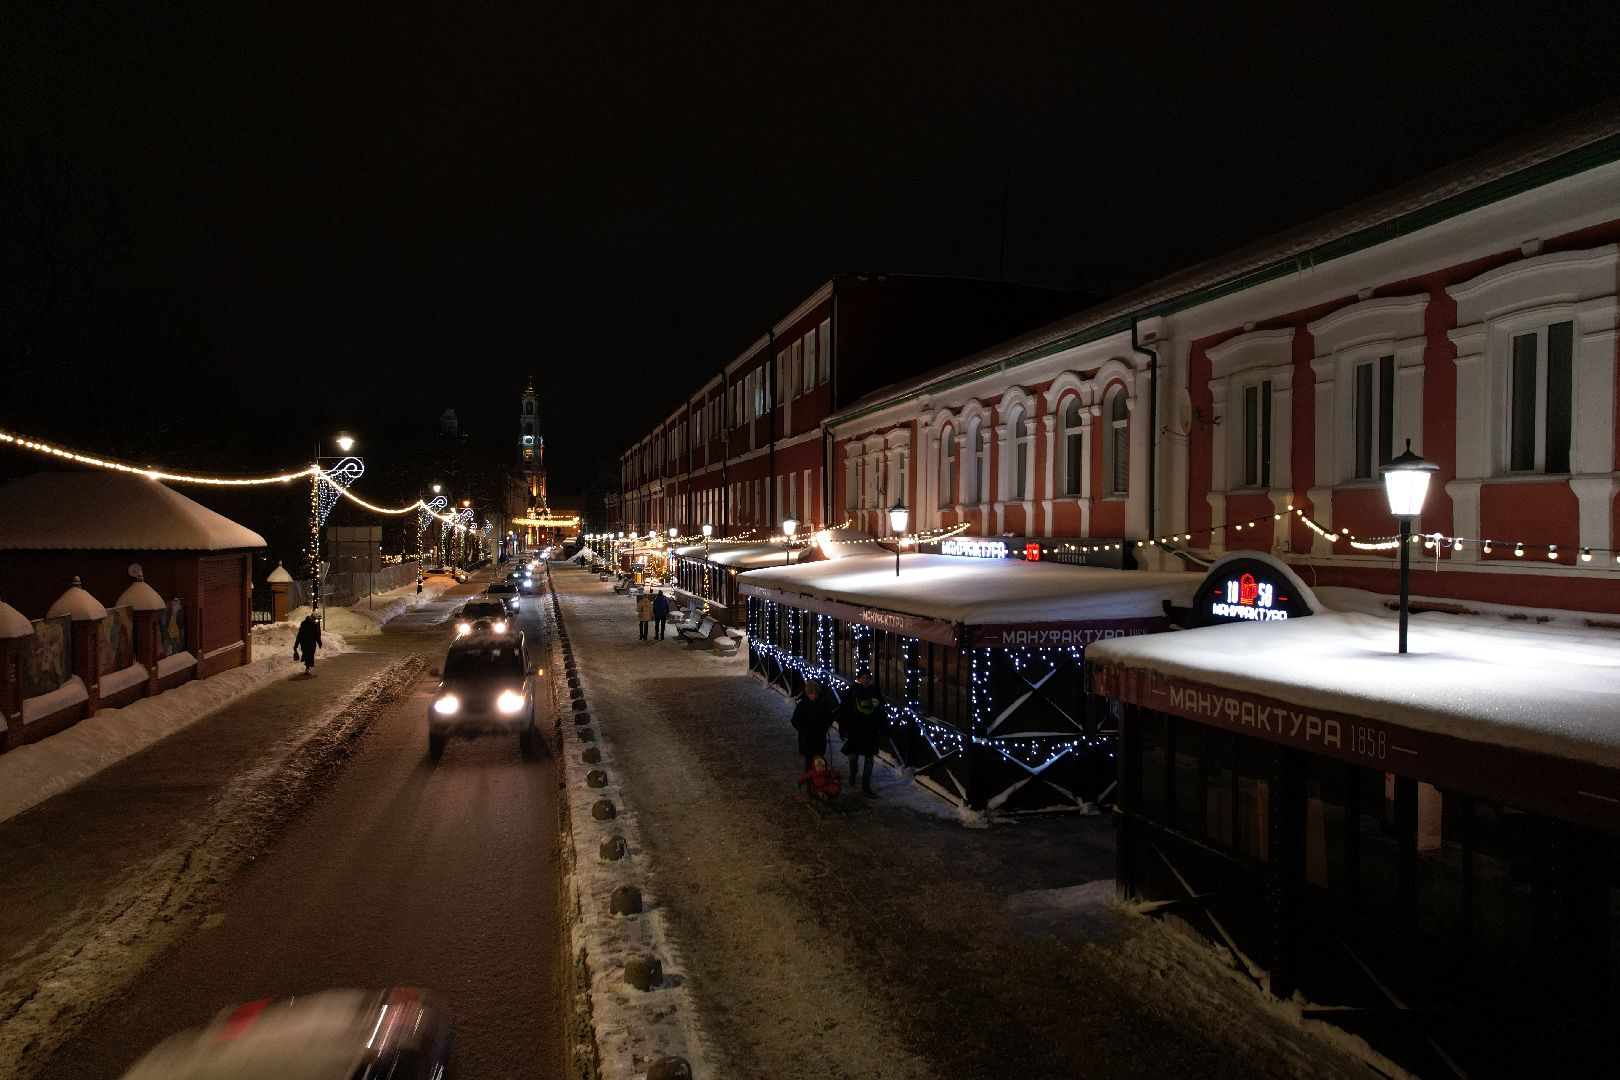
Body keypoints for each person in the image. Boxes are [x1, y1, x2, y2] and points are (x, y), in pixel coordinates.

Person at [838, 668, 885, 796]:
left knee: (869, 759)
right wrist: (843, 727)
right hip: (855, 729)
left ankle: (866, 785)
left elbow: (881, 709)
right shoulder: (852, 691)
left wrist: (882, 726)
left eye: (868, 677)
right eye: (863, 677)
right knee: (853, 757)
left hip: (870, 731)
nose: (865, 680)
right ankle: (853, 775)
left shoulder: (875, 692)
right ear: (859, 678)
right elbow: (844, 710)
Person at [790, 680, 833, 773]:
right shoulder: (802, 705)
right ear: (807, 693)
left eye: (815, 693)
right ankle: (810, 785)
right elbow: (794, 720)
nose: (814, 695)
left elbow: (829, 718)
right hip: (807, 739)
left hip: (819, 738)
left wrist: (825, 726)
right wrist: (802, 729)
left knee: (820, 764)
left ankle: (818, 785)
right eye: (811, 693)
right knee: (809, 765)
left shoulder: (822, 705)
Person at [292, 611, 322, 676]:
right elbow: (316, 635)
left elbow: (299, 635)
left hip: (304, 643)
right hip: (311, 643)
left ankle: (307, 667)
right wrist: (319, 642)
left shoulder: (303, 624)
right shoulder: (314, 625)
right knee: (310, 655)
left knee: (307, 654)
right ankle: (307, 668)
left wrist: (296, 645)